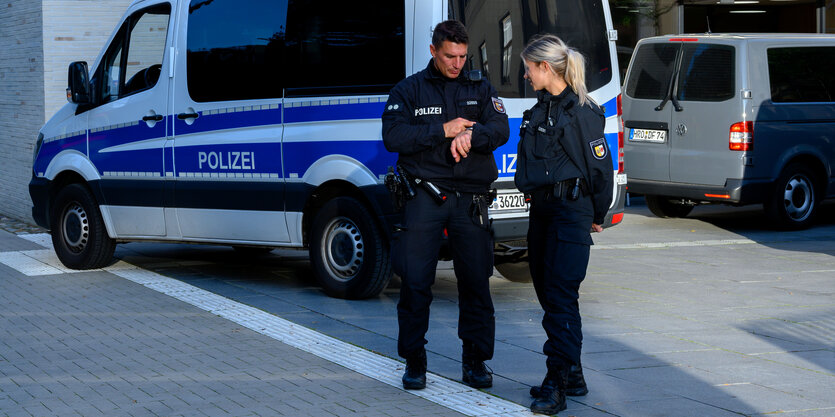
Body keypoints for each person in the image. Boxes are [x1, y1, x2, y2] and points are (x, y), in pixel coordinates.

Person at [381, 20, 509, 391]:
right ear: (434, 51)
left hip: (469, 198)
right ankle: (415, 361)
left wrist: (472, 133)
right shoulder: (409, 90)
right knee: (416, 281)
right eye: (450, 56)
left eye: (462, 56)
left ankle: (475, 361)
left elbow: (501, 128)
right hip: (424, 195)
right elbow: (393, 136)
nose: (456, 63)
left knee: (475, 282)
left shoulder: (480, 87)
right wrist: (443, 130)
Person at [514, 34, 614, 414]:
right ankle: (572, 372)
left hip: (571, 213)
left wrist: (597, 214)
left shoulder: (582, 112)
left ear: (544, 67)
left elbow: (600, 168)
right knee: (547, 295)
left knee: (560, 298)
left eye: (528, 67)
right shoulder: (539, 110)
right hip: (542, 212)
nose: (525, 75)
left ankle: (557, 382)